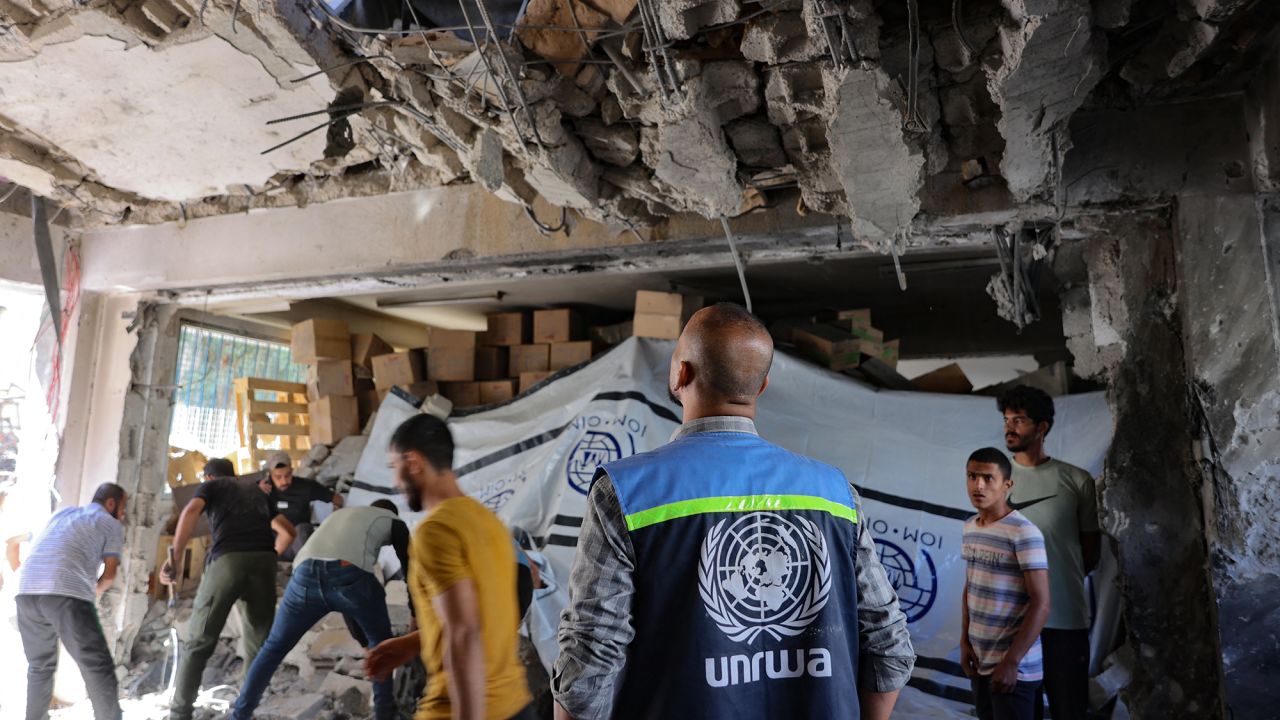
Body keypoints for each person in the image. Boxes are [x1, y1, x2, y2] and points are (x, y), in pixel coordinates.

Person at [552, 303, 916, 720]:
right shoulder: (835, 493)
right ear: (761, 387)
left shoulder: (626, 492)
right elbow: (890, 646)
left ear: (680, 374)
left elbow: (591, 660)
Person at [364, 414, 535, 720]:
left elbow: (464, 631)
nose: (395, 482)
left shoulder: (436, 530)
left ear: (413, 461)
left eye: (395, 467)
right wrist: (413, 643)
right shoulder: (488, 522)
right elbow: (480, 613)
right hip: (514, 703)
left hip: (459, 707)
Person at [230, 499, 410, 720]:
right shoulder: (393, 520)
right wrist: (416, 612)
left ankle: (239, 715)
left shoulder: (341, 516)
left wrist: (362, 641)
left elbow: (344, 594)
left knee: (272, 649)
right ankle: (384, 714)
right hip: (348, 576)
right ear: (389, 513)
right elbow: (411, 569)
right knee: (382, 647)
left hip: (303, 575)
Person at [163, 458, 297, 720]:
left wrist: (175, 560)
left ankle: (180, 714)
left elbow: (191, 511)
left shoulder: (213, 487)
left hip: (228, 562)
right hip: (264, 562)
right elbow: (288, 533)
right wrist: (267, 558)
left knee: (198, 642)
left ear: (208, 478)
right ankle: (245, 712)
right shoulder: (256, 491)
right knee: (257, 645)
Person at [998, 386, 1101, 720]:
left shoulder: (1077, 480)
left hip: (1064, 620)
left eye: (1019, 420)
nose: (1009, 427)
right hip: (1010, 621)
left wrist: (1053, 586)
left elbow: (1090, 555)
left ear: (1042, 428)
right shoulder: (995, 480)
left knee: (1069, 709)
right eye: (1006, 419)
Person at [16, 482, 127, 720]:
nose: (124, 513)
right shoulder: (110, 523)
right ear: (111, 503)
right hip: (66, 594)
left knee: (39, 667)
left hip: (26, 592)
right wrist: (92, 592)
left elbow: (29, 541)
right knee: (98, 668)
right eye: (123, 506)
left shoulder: (63, 514)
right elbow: (109, 575)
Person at [960, 448, 1051, 720]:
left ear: (1007, 485)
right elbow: (971, 586)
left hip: (1015, 669)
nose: (978, 485)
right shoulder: (970, 527)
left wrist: (1012, 662)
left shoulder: (1024, 532)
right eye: (972, 476)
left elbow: (1042, 603)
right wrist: (965, 643)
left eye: (988, 478)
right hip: (980, 661)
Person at [262, 450, 344, 559]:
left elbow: (338, 499)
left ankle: (301, 565)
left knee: (302, 529)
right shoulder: (264, 489)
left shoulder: (305, 487)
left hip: (298, 540)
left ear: (292, 470)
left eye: (287, 475)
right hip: (274, 540)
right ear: (270, 474)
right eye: (278, 477)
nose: (284, 481)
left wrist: (332, 523)